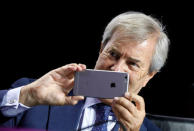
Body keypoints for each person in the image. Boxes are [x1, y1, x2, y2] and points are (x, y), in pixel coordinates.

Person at [0, 11, 169, 131]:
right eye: (112, 54)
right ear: (101, 49)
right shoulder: (33, 96)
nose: (117, 69)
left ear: (148, 76)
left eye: (132, 63)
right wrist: (27, 96)